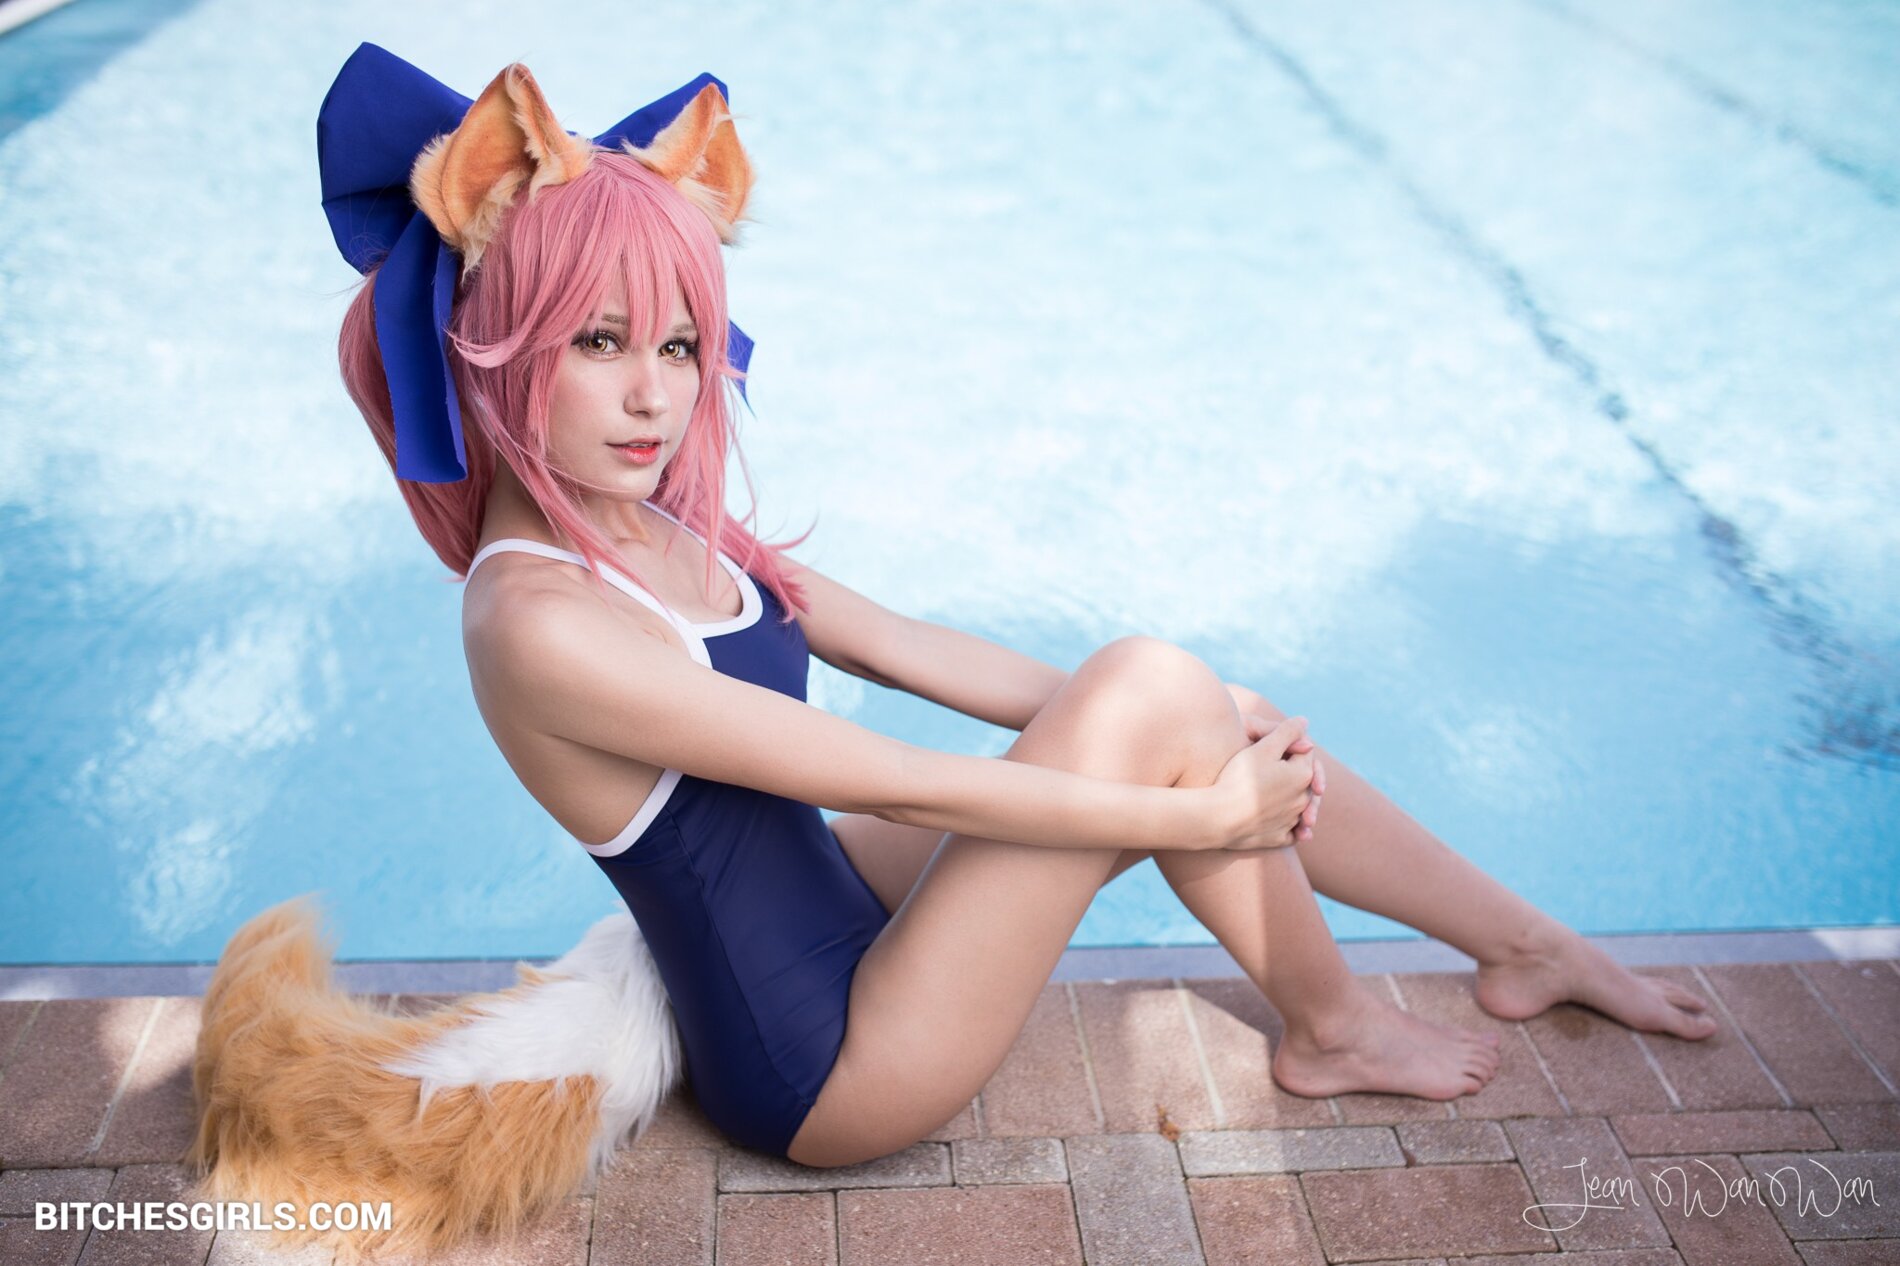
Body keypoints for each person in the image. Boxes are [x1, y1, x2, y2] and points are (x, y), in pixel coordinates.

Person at [331, 52, 1718, 1171]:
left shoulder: (637, 515)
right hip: (822, 1060)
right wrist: (1194, 812)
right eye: (601, 342)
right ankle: (1336, 1025)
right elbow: (884, 771)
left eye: (680, 345)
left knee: (1182, 702)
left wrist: (1191, 731)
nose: (657, 394)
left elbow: (901, 648)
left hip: (840, 902)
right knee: (1157, 701)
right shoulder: (533, 621)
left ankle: (1523, 942)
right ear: (494, 342)